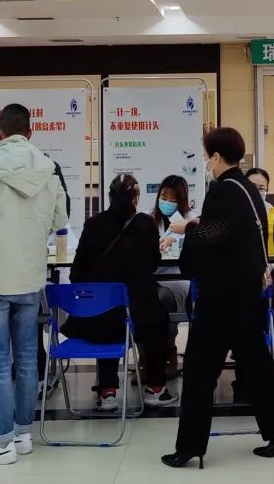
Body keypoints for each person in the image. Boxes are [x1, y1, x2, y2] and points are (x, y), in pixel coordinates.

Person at [163, 127, 274, 469]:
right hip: (247, 292)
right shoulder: (248, 188)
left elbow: (212, 238)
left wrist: (188, 229)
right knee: (256, 365)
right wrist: (200, 226)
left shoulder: (222, 190)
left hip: (221, 296)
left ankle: (189, 446)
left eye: (206, 154)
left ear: (216, 156)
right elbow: (231, 231)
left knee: (199, 370)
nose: (205, 161)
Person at [0, 104, 69, 467]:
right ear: (30, 132)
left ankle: (0, 443)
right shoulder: (51, 167)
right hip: (31, 277)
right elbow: (61, 217)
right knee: (27, 358)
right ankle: (22, 435)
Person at [71, 174, 177, 409]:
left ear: (110, 196)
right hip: (140, 311)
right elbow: (153, 264)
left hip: (102, 315)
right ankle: (155, 389)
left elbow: (77, 273)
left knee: (107, 315)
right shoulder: (147, 224)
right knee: (159, 317)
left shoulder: (93, 224)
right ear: (136, 198)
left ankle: (107, 392)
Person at [151, 174, 195, 380]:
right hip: (153, 276)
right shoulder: (149, 219)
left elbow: (198, 243)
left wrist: (176, 240)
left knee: (166, 298)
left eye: (173, 199)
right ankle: (147, 356)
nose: (167, 203)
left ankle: (169, 352)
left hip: (179, 277)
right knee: (142, 297)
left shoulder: (191, 221)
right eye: (164, 198)